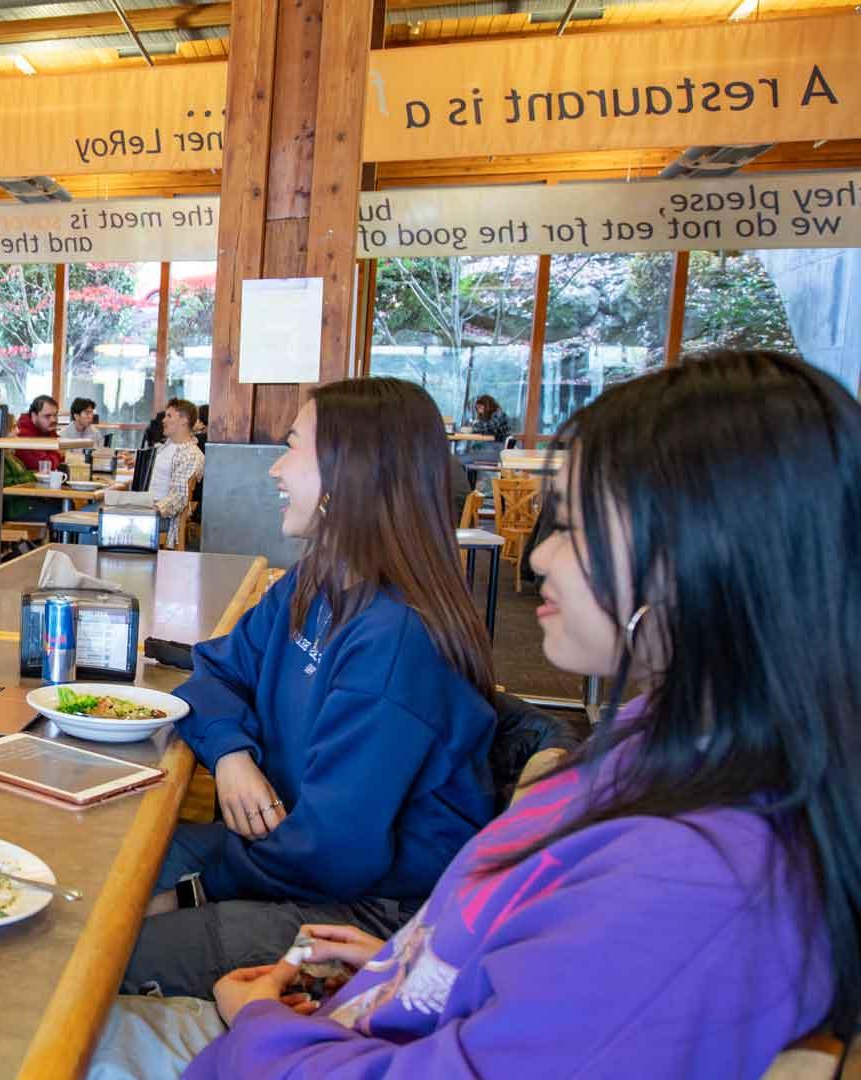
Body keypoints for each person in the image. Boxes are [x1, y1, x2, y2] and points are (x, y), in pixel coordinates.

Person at [194, 350, 857, 1076]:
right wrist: (409, 963)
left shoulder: (692, 878)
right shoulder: (652, 749)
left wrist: (258, 1025)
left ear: (702, 554)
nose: (539, 558)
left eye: (571, 524)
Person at [123, 377, 496, 1001]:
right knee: (111, 868)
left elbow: (335, 851)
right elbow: (215, 670)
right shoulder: (313, 583)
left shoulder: (394, 638)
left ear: (351, 470)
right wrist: (231, 754)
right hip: (289, 856)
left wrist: (193, 890)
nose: (274, 469)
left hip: (365, 915)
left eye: (292, 445)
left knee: (103, 955)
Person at [148, 398, 204, 550]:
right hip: (145, 507)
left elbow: (179, 497)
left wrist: (150, 510)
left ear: (184, 420)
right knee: (96, 513)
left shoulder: (190, 454)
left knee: (99, 520)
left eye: (169, 416)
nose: (163, 420)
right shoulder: (167, 446)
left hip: (160, 516)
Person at [13, 394, 65, 474]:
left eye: (55, 415)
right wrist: (57, 453)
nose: (53, 420)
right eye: (47, 416)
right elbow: (44, 467)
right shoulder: (23, 434)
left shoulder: (47, 429)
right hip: (26, 484)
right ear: (34, 416)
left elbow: (62, 456)